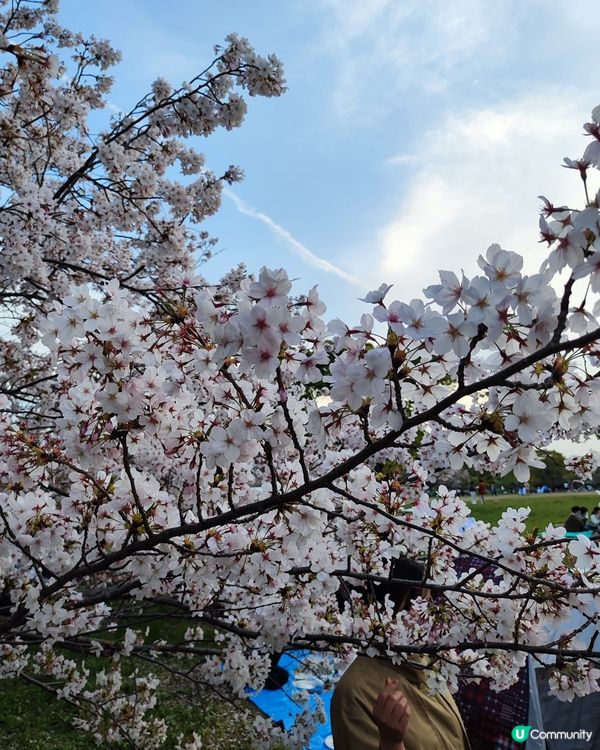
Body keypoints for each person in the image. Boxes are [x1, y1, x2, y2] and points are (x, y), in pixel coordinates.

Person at [331, 558, 469, 750]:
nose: (430, 613)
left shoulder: (426, 661)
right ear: (390, 607)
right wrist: (391, 742)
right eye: (420, 603)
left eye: (429, 600)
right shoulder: (355, 694)